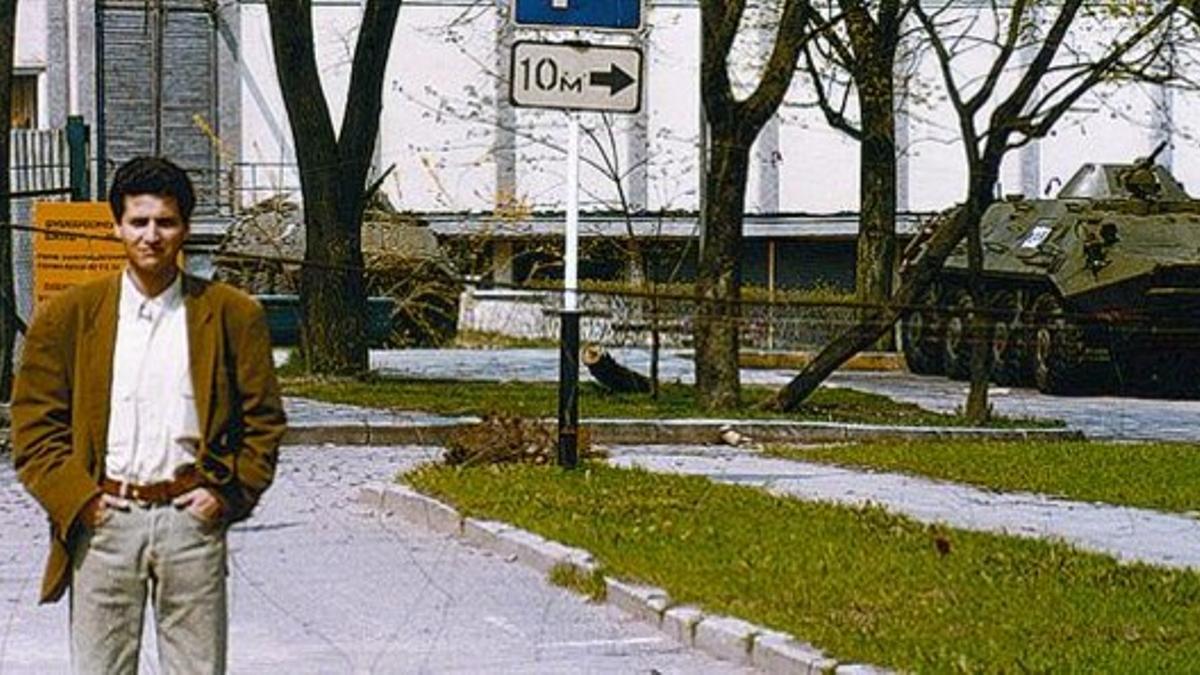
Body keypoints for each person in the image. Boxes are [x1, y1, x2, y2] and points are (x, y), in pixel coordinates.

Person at [11, 156, 287, 673]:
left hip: (191, 521)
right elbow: (34, 427)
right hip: (104, 521)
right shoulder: (70, 316)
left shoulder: (231, 314)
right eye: (139, 222)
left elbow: (263, 420)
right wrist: (80, 500)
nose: (151, 236)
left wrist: (227, 494)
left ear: (185, 228)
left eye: (166, 222)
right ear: (116, 226)